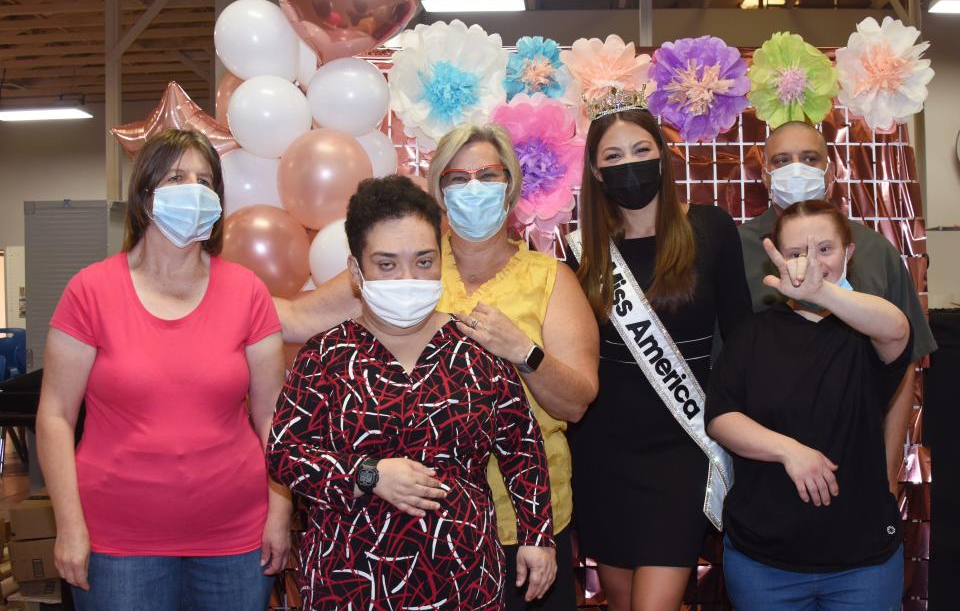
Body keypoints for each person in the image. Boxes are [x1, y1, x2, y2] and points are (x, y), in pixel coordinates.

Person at [276, 124, 599, 609]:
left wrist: (536, 532)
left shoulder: (474, 353)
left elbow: (523, 446)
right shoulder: (327, 355)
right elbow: (285, 453)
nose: (408, 277)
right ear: (356, 272)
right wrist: (368, 476)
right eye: (386, 265)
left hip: (463, 574)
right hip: (352, 578)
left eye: (423, 262)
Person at [36, 129, 291, 610]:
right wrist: (69, 526)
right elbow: (54, 416)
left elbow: (272, 418)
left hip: (235, 539)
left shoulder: (247, 292)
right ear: (146, 194)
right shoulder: (90, 291)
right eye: (177, 177)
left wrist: (280, 510)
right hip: (117, 543)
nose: (194, 189)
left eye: (205, 179)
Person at [566, 88, 751, 611]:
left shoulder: (710, 228)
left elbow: (741, 337)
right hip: (603, 451)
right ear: (597, 173)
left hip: (682, 447)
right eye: (614, 157)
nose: (631, 166)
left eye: (642, 151)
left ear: (664, 157)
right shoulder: (581, 251)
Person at [706, 200, 913, 610]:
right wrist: (790, 451)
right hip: (764, 563)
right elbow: (721, 417)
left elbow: (898, 328)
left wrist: (825, 293)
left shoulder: (866, 333)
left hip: (863, 565)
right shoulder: (751, 334)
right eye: (797, 252)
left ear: (848, 254)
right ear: (780, 259)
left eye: (825, 250)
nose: (810, 263)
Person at [738, 120, 937, 493]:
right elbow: (721, 372)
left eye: (809, 158)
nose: (796, 169)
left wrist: (887, 473)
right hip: (760, 466)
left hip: (855, 460)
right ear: (764, 176)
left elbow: (904, 366)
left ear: (830, 172)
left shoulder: (876, 251)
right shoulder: (735, 250)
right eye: (782, 160)